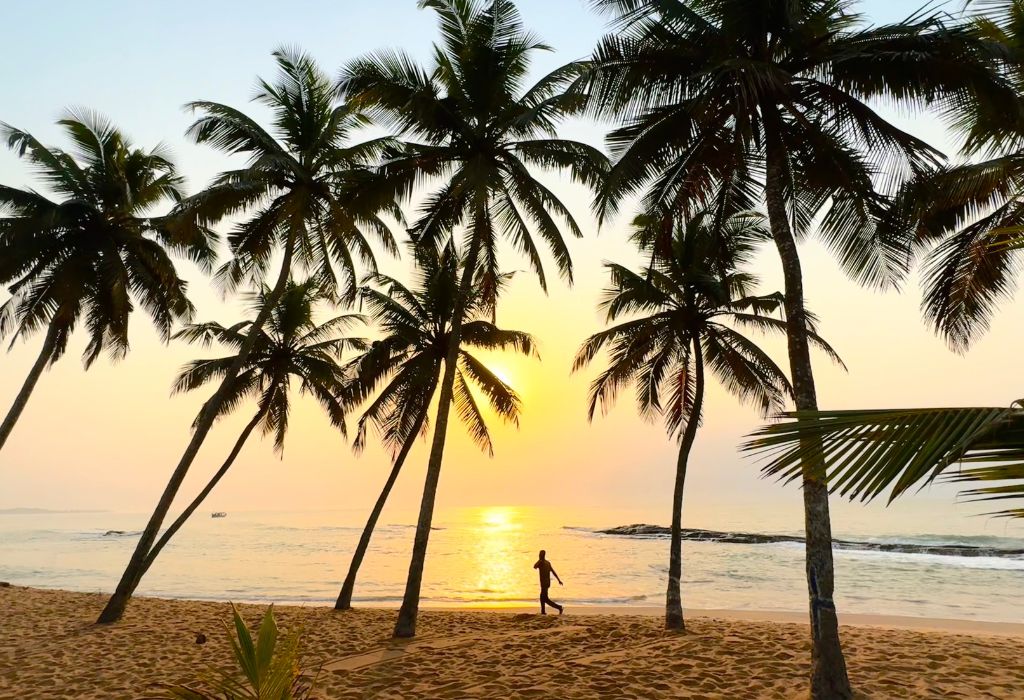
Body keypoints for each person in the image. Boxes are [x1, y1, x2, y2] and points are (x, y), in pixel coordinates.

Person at [533, 549, 563, 615]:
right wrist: (559, 580)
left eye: (539, 554)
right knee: (543, 597)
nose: (539, 556)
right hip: (547, 583)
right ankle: (543, 612)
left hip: (544, 583)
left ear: (541, 555)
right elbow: (553, 571)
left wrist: (539, 560)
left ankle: (559, 607)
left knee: (545, 598)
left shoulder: (541, 562)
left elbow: (534, 566)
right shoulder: (548, 563)